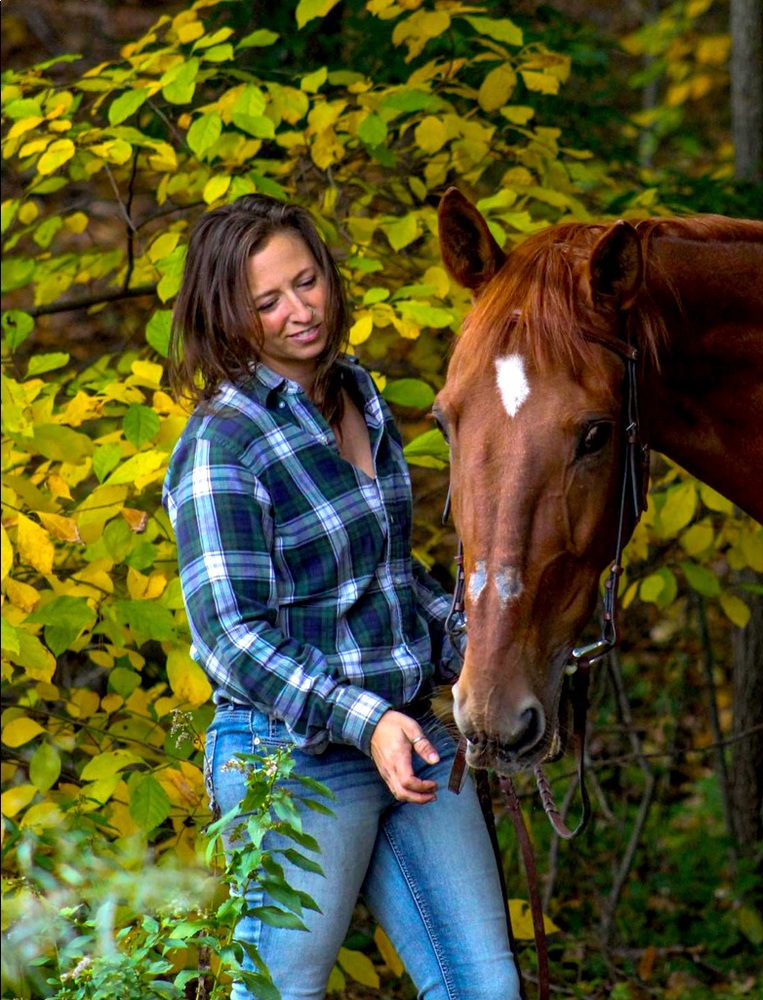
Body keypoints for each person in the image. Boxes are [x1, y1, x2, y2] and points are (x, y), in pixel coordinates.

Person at [163, 193, 520, 1000]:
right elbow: (231, 637)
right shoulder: (224, 443)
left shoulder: (362, 394)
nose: (300, 311)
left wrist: (495, 638)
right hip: (289, 758)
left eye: (308, 280)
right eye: (268, 301)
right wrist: (367, 721)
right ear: (229, 316)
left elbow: (393, 583)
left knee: (484, 988)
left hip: (413, 739)